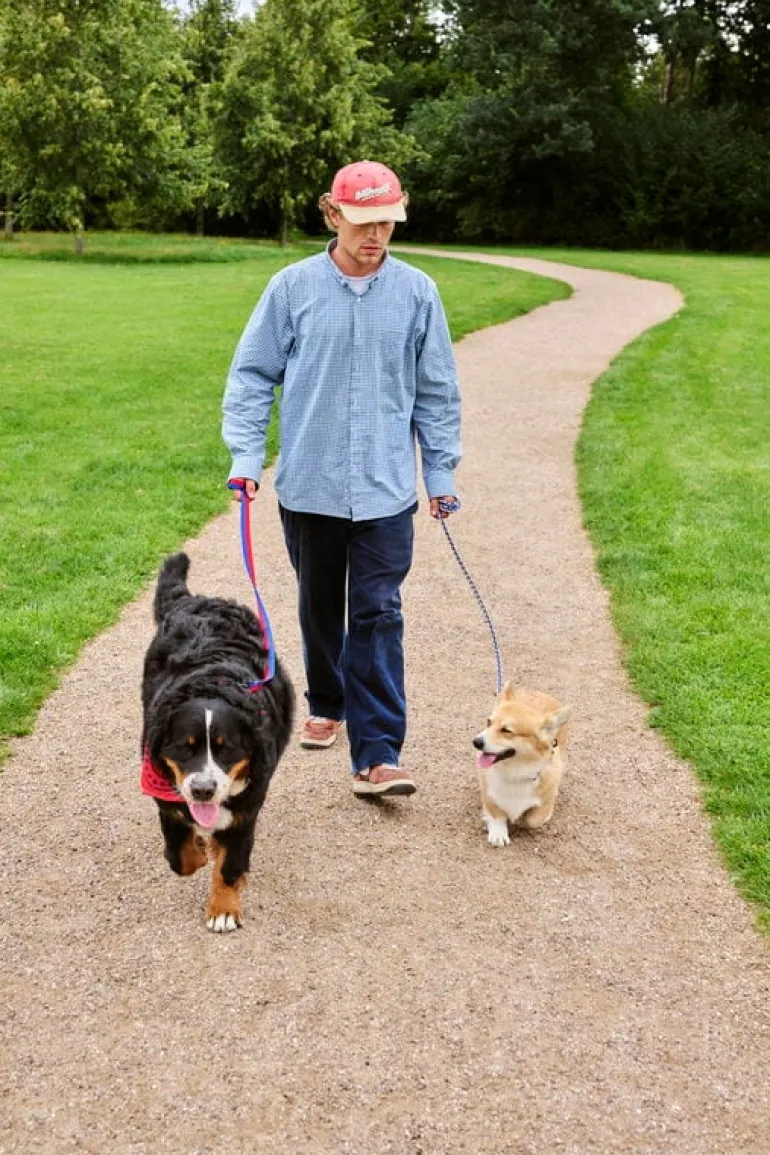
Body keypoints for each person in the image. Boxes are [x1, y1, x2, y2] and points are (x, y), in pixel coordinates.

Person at [222, 159, 461, 798]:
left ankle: (379, 754)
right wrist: (246, 457)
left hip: (386, 490)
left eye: (386, 222)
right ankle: (327, 701)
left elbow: (437, 392)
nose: (375, 236)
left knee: (378, 611)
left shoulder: (417, 294)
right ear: (332, 214)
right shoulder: (292, 288)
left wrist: (439, 471)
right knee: (320, 604)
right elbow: (251, 376)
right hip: (310, 485)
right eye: (362, 223)